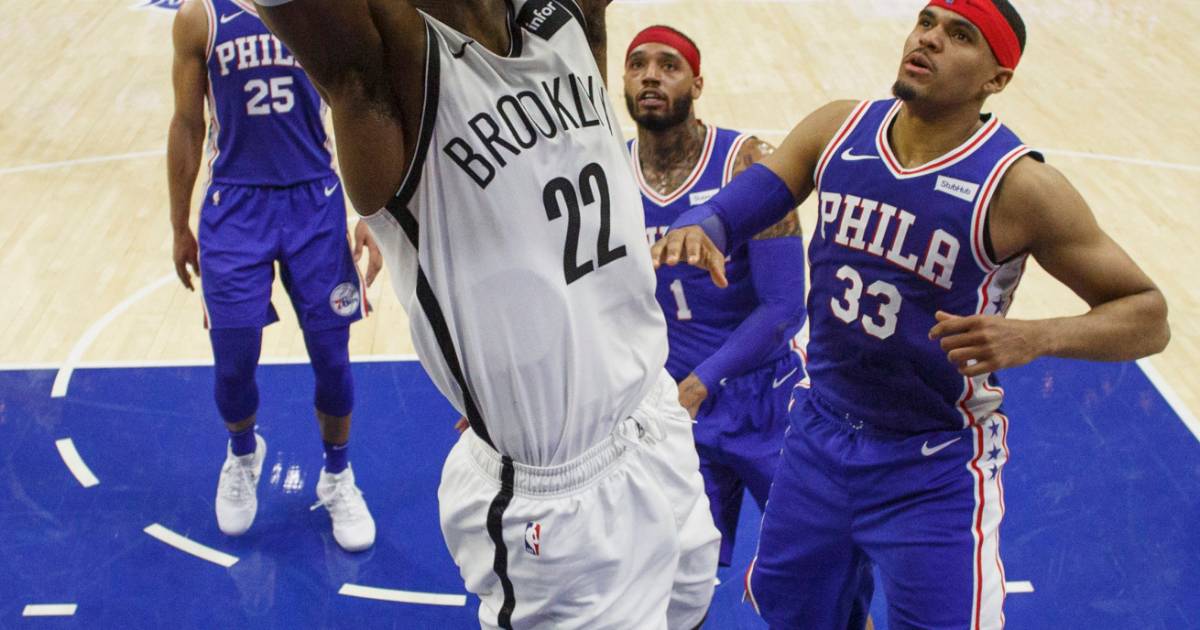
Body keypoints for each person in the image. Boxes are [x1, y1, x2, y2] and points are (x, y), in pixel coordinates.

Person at [651, 1, 1170, 627]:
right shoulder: (838, 129)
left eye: (960, 36)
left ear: (997, 78)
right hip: (819, 435)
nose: (930, 40)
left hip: (932, 463)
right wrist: (702, 222)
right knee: (797, 616)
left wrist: (1037, 336)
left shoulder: (1019, 187)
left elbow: (1148, 315)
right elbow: (743, 201)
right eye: (926, 22)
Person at [252, 0, 720, 627]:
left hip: (654, 418)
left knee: (690, 612)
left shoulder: (563, 13)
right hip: (558, 501)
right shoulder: (390, 65)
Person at [167, 0, 382, 552]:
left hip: (315, 200)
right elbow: (187, 123)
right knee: (234, 360)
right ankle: (243, 454)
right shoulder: (200, 17)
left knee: (332, 358)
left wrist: (376, 212)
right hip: (235, 207)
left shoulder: (324, 9)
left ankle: (337, 475)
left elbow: (363, 102)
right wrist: (178, 224)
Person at [623, 25, 807, 568]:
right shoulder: (609, 173)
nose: (650, 76)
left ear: (697, 84)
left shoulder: (746, 164)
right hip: (672, 408)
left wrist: (705, 379)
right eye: (637, 65)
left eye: (668, 65)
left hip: (763, 398)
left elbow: (784, 308)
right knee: (676, 579)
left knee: (813, 574)